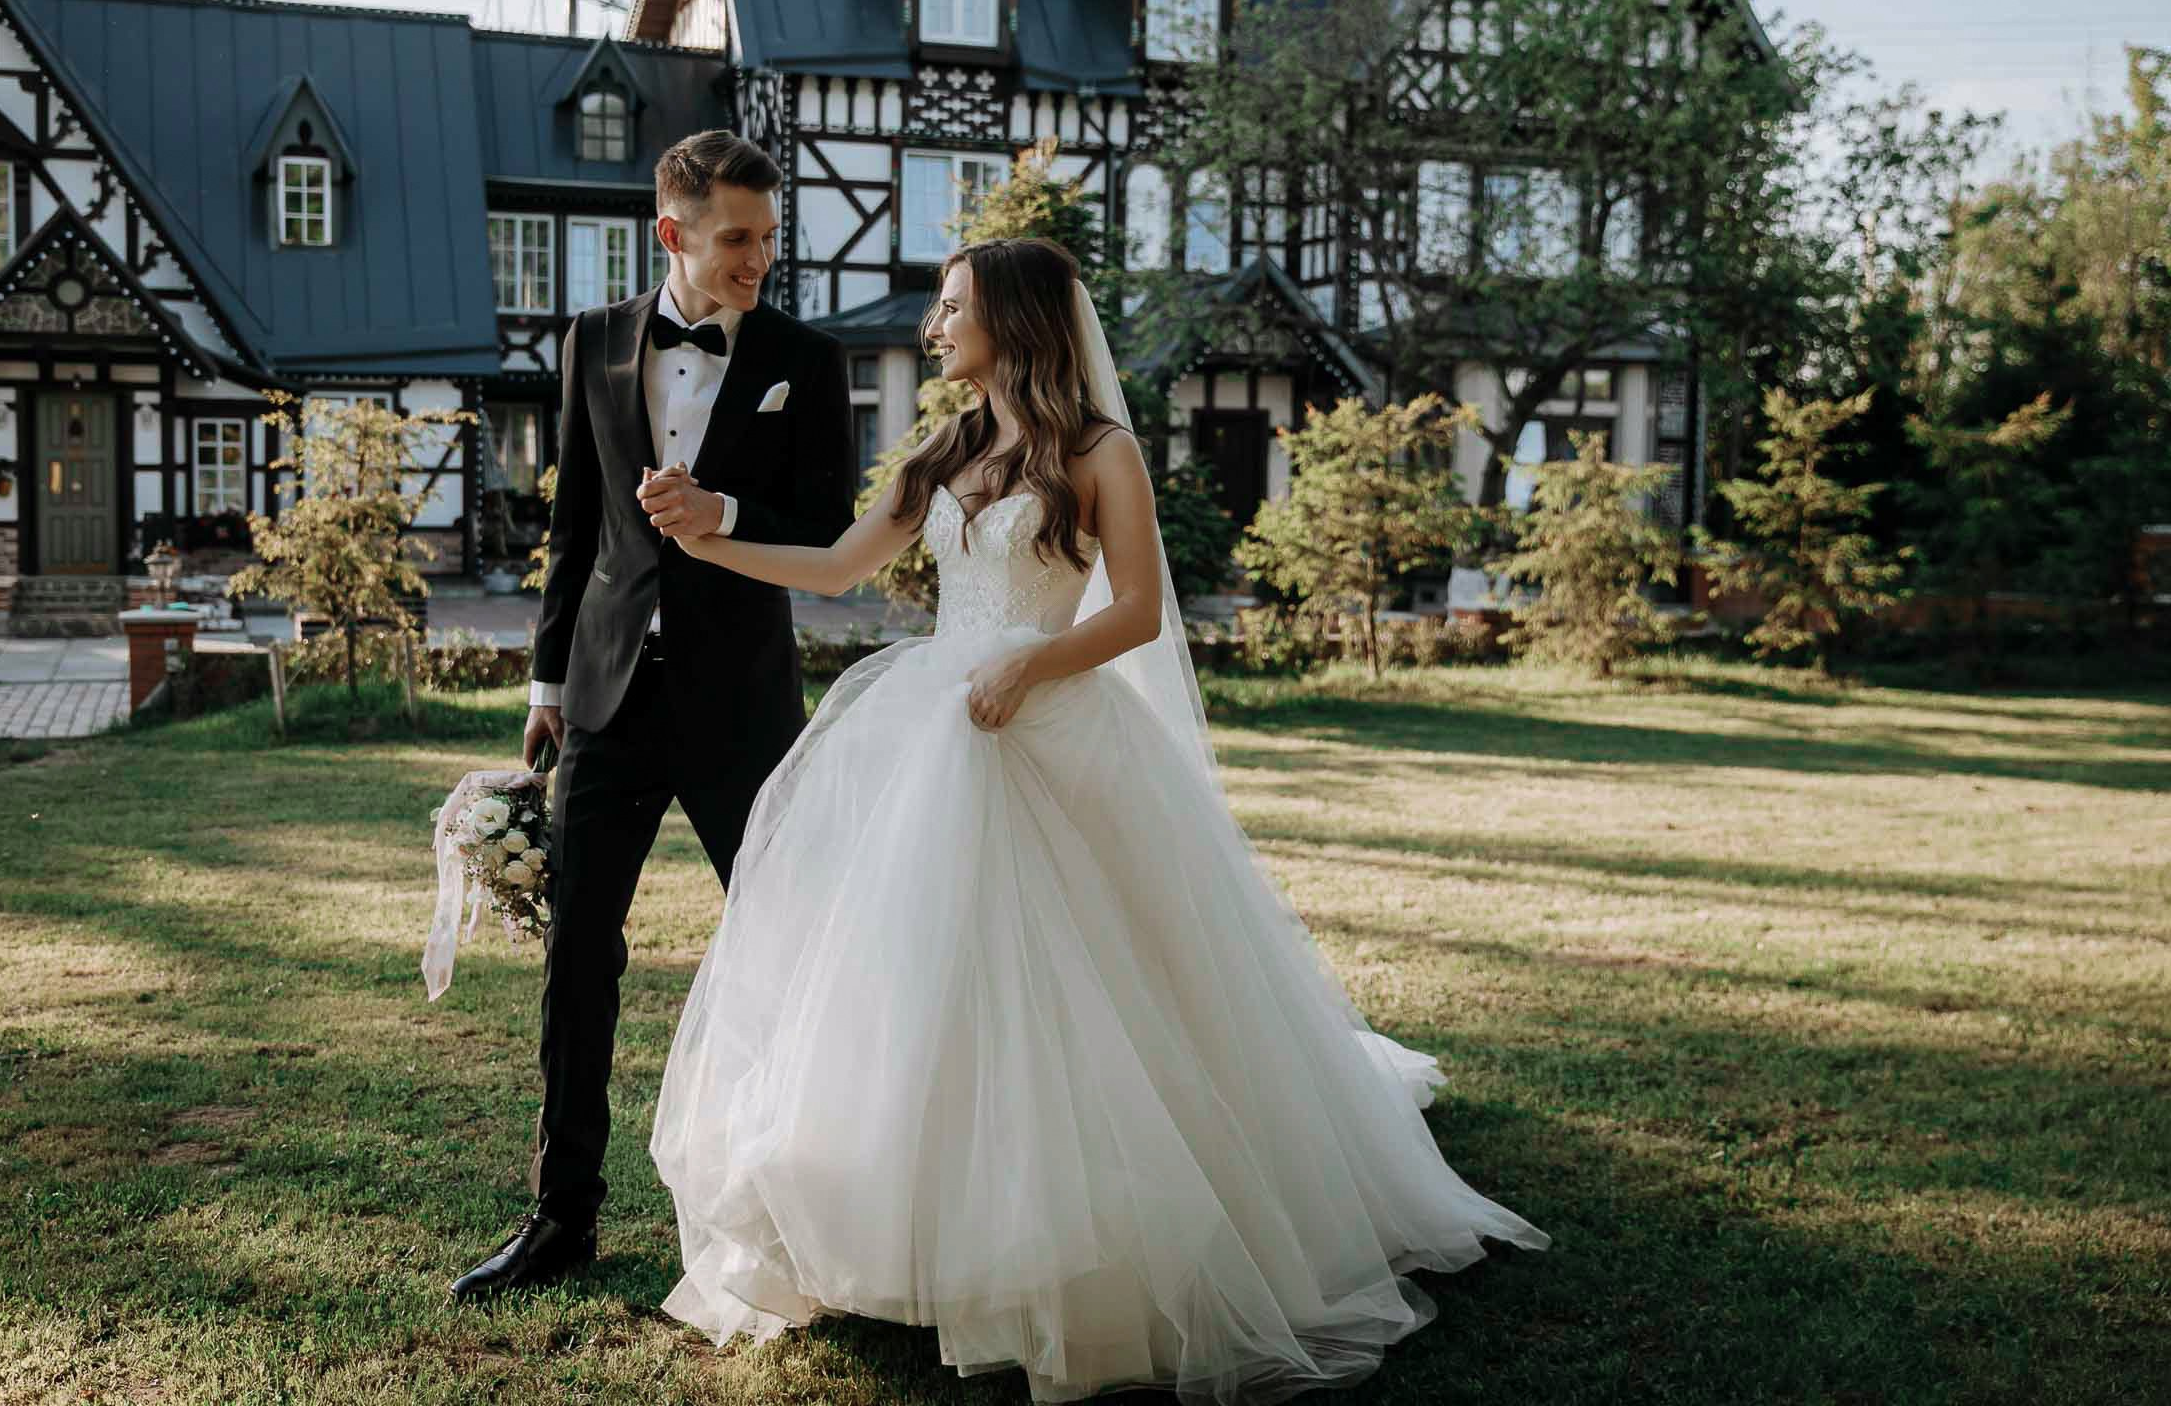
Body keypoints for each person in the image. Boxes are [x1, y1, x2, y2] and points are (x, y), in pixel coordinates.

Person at [647, 236, 1548, 1402]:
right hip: (928, 730)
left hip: (1049, 723)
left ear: (1014, 321)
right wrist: (706, 534)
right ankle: (908, 1221)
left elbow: (1134, 609)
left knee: (1088, 979)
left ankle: (1085, 1225)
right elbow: (833, 568)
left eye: (955, 307)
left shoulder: (1098, 451)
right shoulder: (945, 449)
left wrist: (1033, 666)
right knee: (917, 980)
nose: (935, 326)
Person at [449, 129, 856, 1301]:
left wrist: (721, 505)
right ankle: (560, 1215)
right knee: (579, 960)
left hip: (741, 703)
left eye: (770, 239)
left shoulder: (806, 358)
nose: (758, 261)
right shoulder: (589, 342)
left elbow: (826, 525)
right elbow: (573, 529)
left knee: (788, 954)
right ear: (673, 233)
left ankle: (813, 1200)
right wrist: (543, 687)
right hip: (608, 697)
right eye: (737, 238)